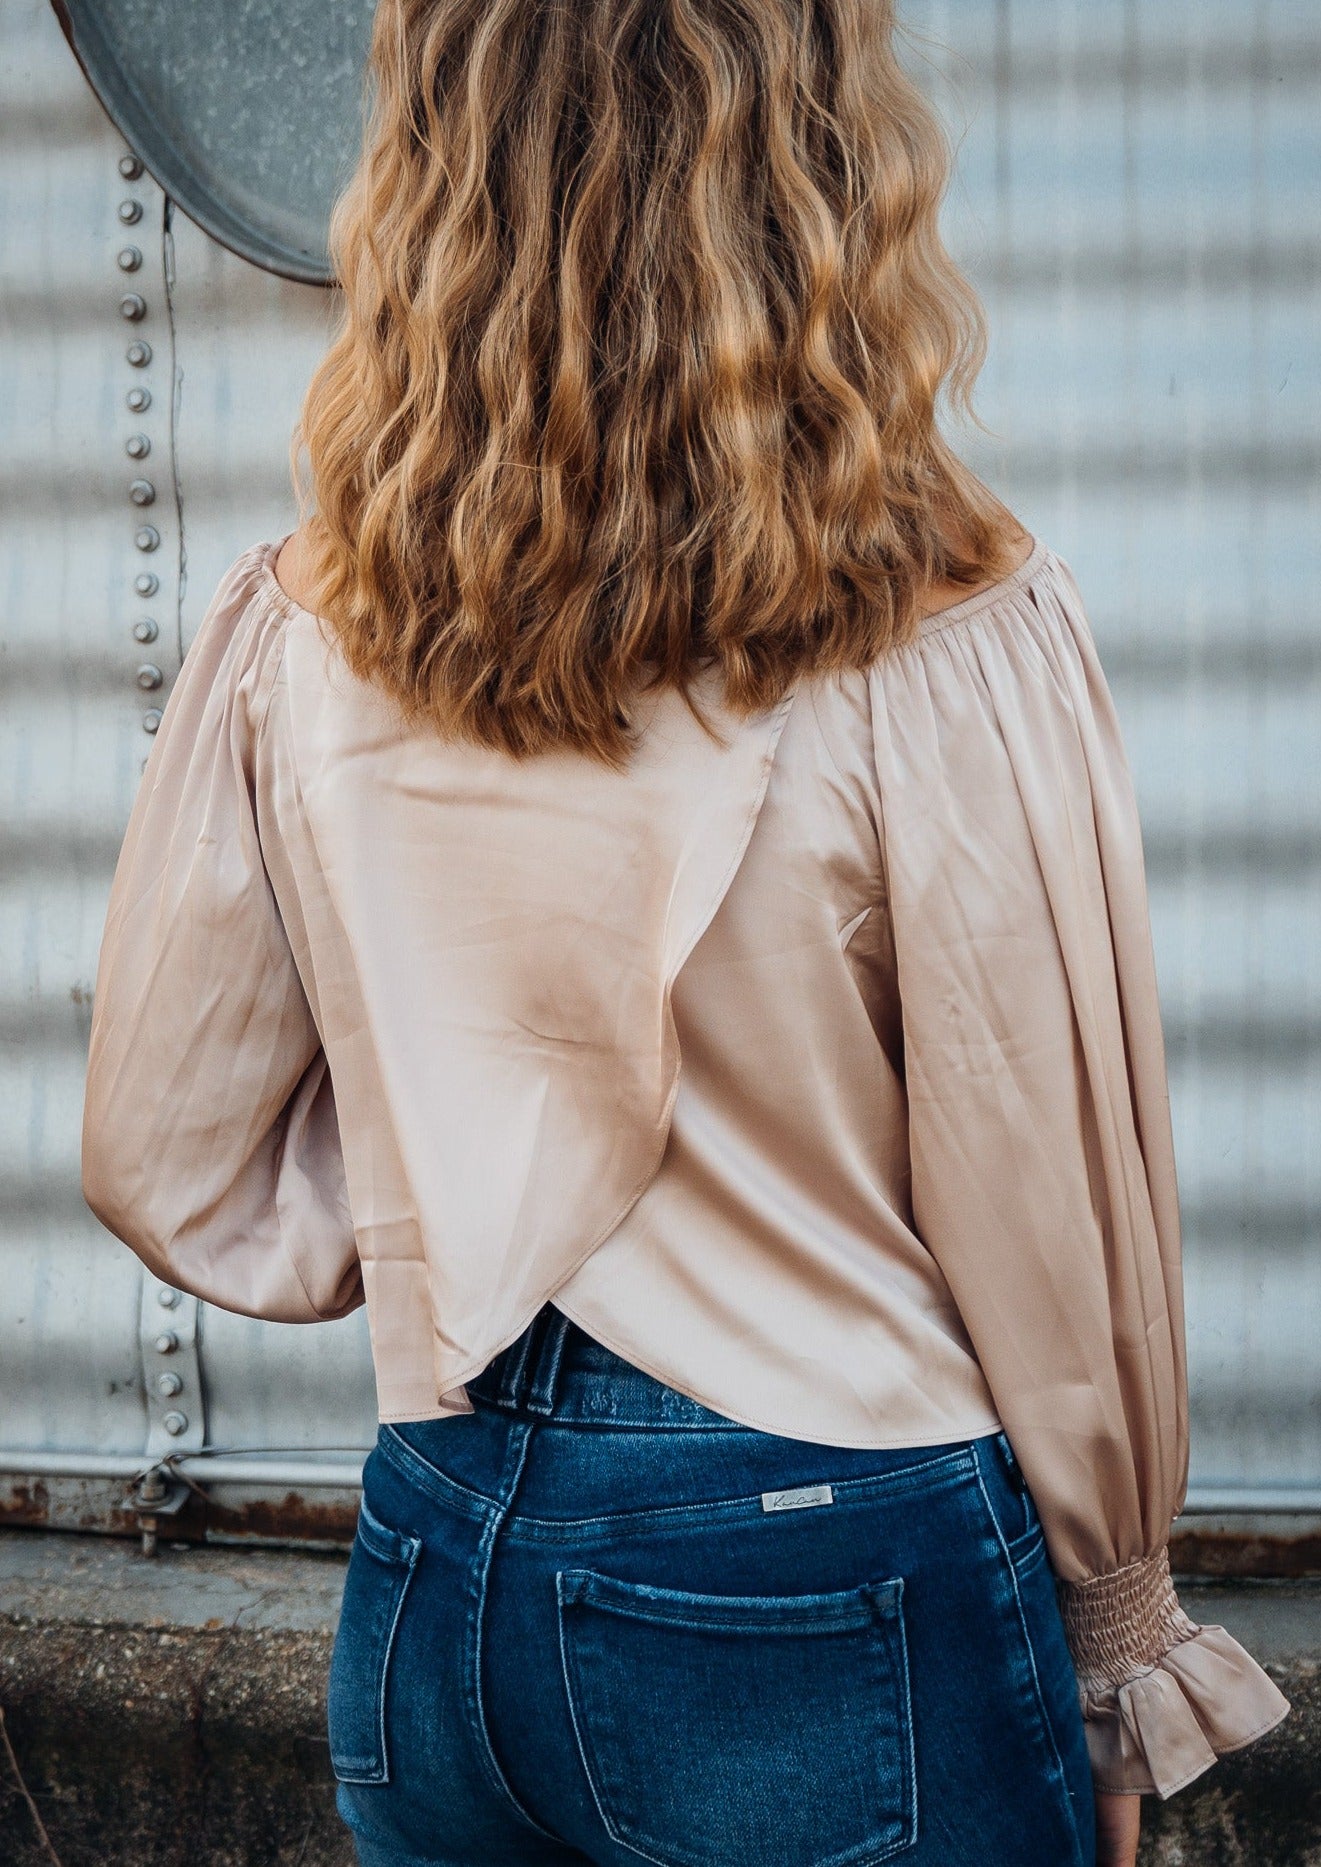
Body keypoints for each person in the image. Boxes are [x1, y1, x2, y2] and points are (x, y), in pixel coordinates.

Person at [81, 2, 1290, 1863]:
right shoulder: (948, 633)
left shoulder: (300, 629)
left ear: (430, 172)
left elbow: (171, 1156)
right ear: (819, 166)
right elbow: (1049, 1197)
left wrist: (459, 1199)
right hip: (825, 1551)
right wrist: (1118, 1624)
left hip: (434, 1535)